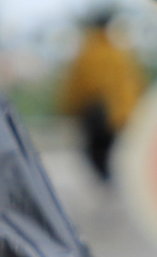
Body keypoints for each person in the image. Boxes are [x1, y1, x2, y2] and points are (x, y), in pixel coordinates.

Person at [57, 10, 146, 186]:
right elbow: (131, 84)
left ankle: (106, 181)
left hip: (94, 115)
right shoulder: (119, 52)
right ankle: (112, 182)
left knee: (96, 152)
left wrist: (70, 108)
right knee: (113, 152)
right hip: (118, 115)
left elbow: (78, 85)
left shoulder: (87, 52)